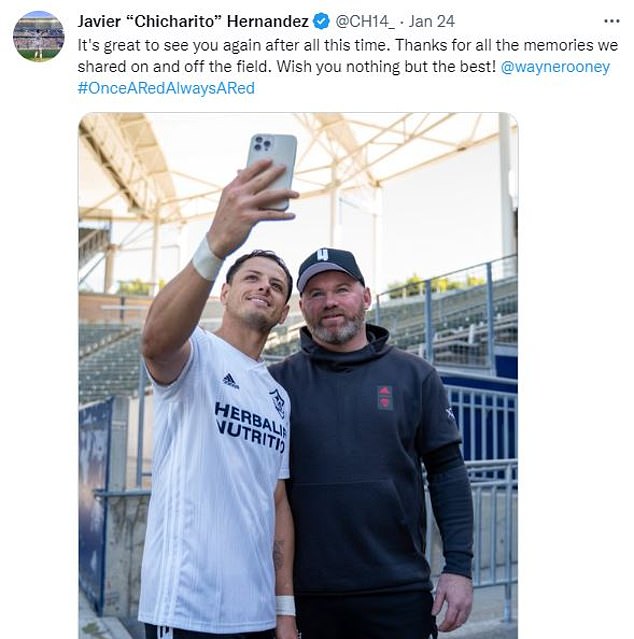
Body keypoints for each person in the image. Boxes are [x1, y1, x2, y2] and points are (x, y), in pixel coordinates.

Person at [269, 247, 474, 639]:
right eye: (316, 293)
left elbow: (448, 474)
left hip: (399, 591)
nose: (330, 302)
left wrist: (458, 567)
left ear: (366, 297)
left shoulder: (415, 375)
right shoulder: (276, 384)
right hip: (308, 598)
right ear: (301, 306)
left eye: (341, 289)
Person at [138, 158, 300, 639]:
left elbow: (277, 503)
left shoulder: (277, 396)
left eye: (275, 286)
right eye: (252, 278)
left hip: (256, 616)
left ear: (284, 312)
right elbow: (155, 341)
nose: (264, 288)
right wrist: (217, 245)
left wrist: (284, 609)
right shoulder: (196, 351)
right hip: (185, 610)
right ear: (225, 291)